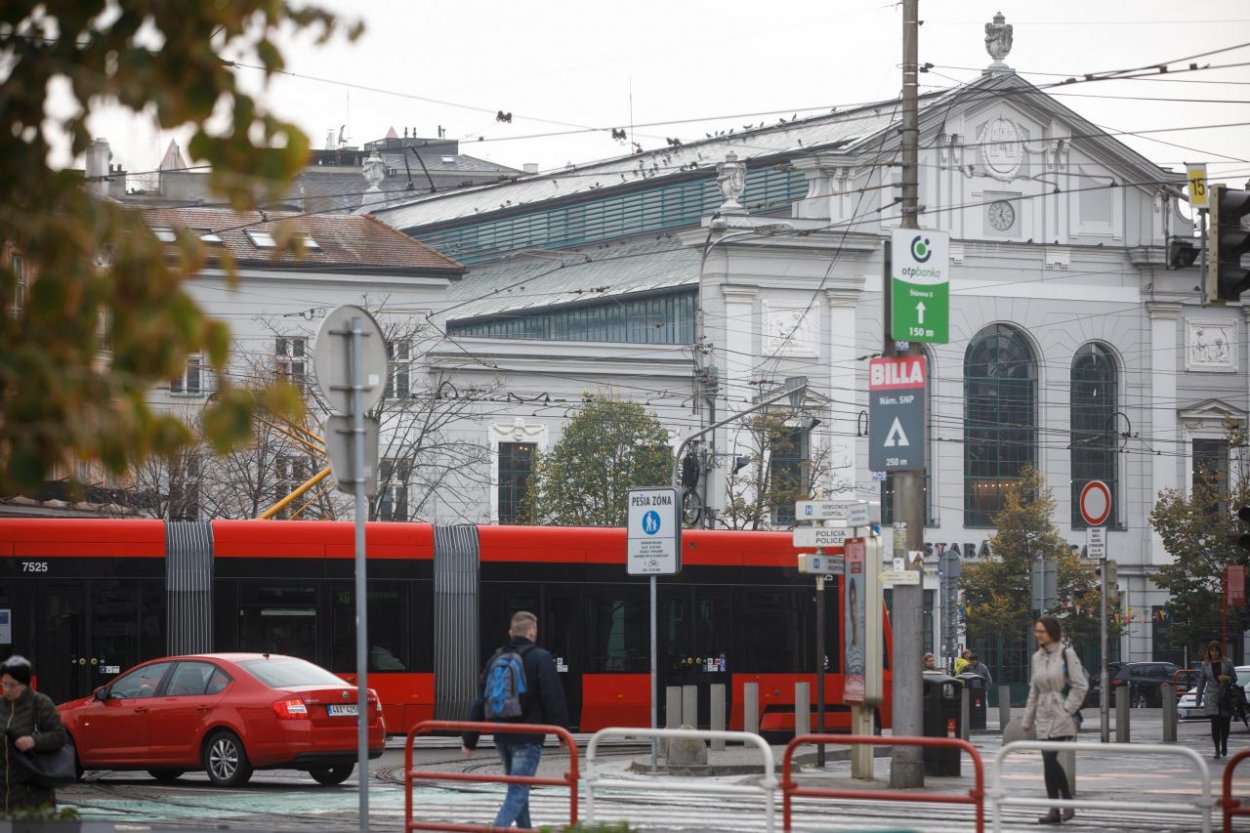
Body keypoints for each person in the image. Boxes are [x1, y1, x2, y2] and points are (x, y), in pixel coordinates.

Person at [462, 611, 569, 829]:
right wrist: (562, 734)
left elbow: (480, 698)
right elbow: (553, 698)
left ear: (511, 632)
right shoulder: (541, 657)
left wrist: (469, 739)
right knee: (518, 790)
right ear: (533, 632)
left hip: (501, 734)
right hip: (528, 737)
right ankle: (498, 828)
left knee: (519, 789)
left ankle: (524, 829)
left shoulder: (496, 658)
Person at [1022, 615, 1087, 825]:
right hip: (1042, 714)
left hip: (1060, 715)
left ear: (1052, 632)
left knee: (1050, 759)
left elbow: (1080, 685)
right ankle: (1054, 809)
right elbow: (1034, 689)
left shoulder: (1066, 654)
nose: (1038, 635)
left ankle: (1066, 802)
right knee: (1047, 762)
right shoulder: (1037, 657)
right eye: (1036, 631)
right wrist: (1027, 718)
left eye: (1042, 631)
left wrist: (1067, 709)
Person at [1, 655, 68, 814]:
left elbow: (59, 736)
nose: (7, 690)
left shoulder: (40, 704)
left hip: (33, 795)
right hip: (4, 795)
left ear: (24, 684)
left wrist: (33, 741)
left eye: (12, 685)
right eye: (4, 684)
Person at [1195, 640, 1237, 759]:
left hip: (1225, 697)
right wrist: (1198, 699)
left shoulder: (1227, 663)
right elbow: (1201, 683)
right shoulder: (1205, 665)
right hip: (1211, 697)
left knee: (1225, 725)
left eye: (1216, 650)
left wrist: (1226, 678)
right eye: (1212, 650)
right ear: (1209, 651)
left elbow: (1235, 678)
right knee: (1215, 723)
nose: (1214, 653)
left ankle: (1224, 743)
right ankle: (1217, 749)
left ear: (1219, 651)